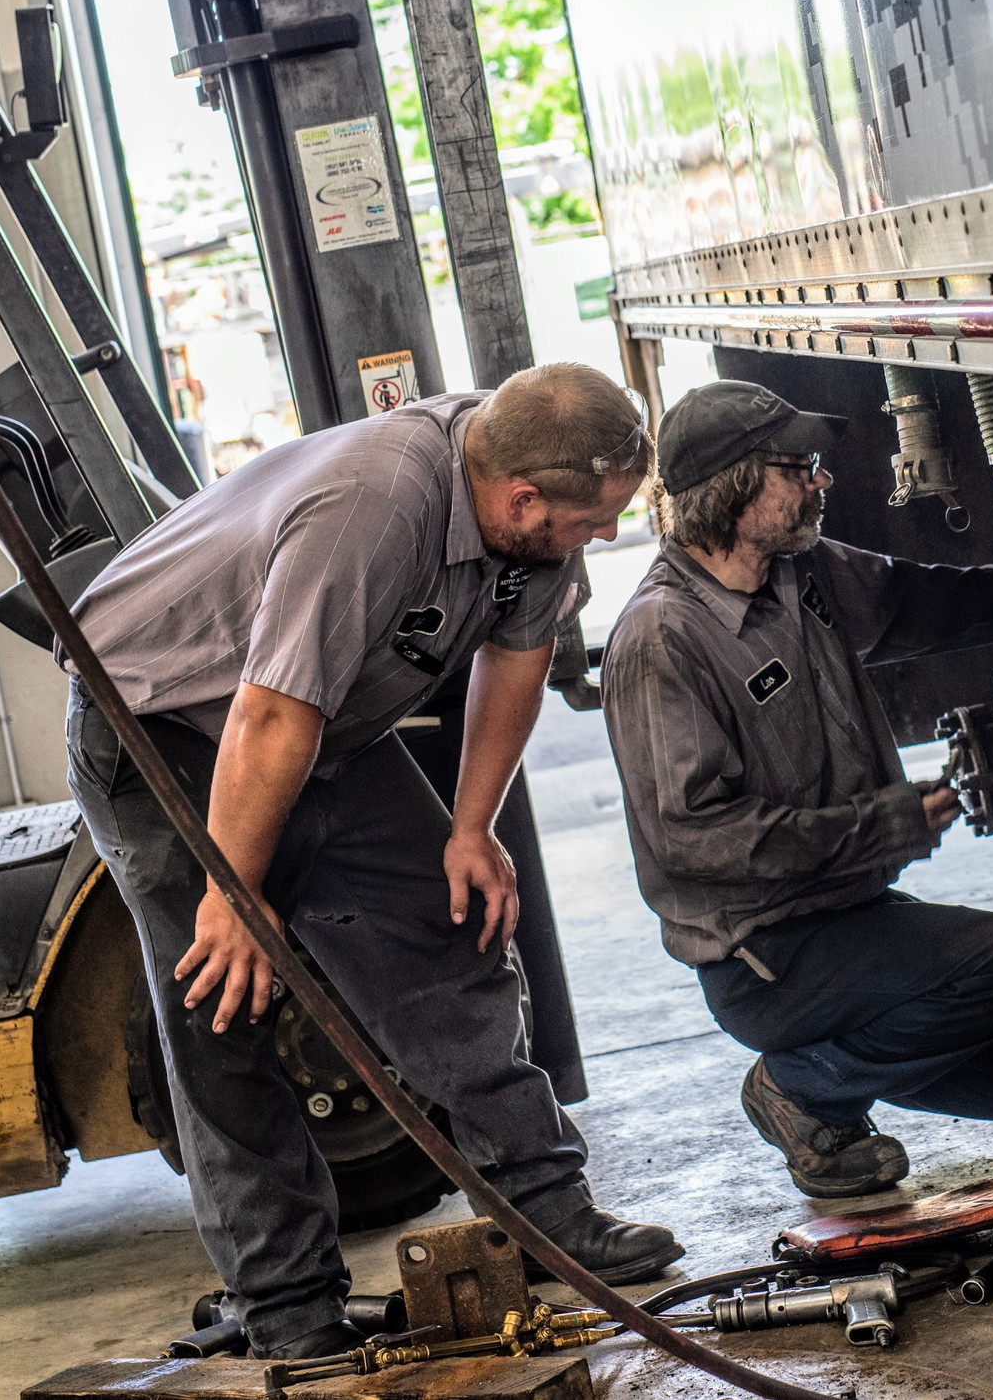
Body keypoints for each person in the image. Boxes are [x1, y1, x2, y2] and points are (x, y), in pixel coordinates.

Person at [62, 363, 682, 1359]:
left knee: (447, 931)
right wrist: (235, 890)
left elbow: (515, 657)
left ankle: (546, 1210)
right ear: (523, 497)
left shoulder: (529, 515)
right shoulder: (376, 504)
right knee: (225, 1003)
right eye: (592, 521)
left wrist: (469, 827)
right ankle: (285, 1301)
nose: (601, 537)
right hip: (161, 723)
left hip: (316, 723)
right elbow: (266, 717)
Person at [600, 380, 993, 1197]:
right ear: (738, 485)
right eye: (800, 467)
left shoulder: (799, 575)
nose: (822, 480)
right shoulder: (662, 638)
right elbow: (694, 837)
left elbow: (917, 600)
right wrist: (875, 827)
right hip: (768, 954)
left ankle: (838, 1083)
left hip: (848, 918)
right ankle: (803, 1085)